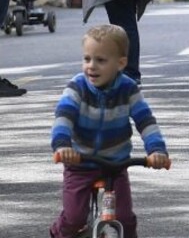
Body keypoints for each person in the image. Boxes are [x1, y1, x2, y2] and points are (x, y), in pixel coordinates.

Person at [50, 25, 171, 238]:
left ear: (121, 63)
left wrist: (157, 150)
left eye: (101, 60)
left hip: (115, 165)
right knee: (74, 219)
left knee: (124, 219)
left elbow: (146, 121)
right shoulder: (77, 87)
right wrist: (62, 145)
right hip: (80, 163)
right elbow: (64, 117)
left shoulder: (128, 89)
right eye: (87, 59)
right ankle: (57, 233)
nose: (91, 66)